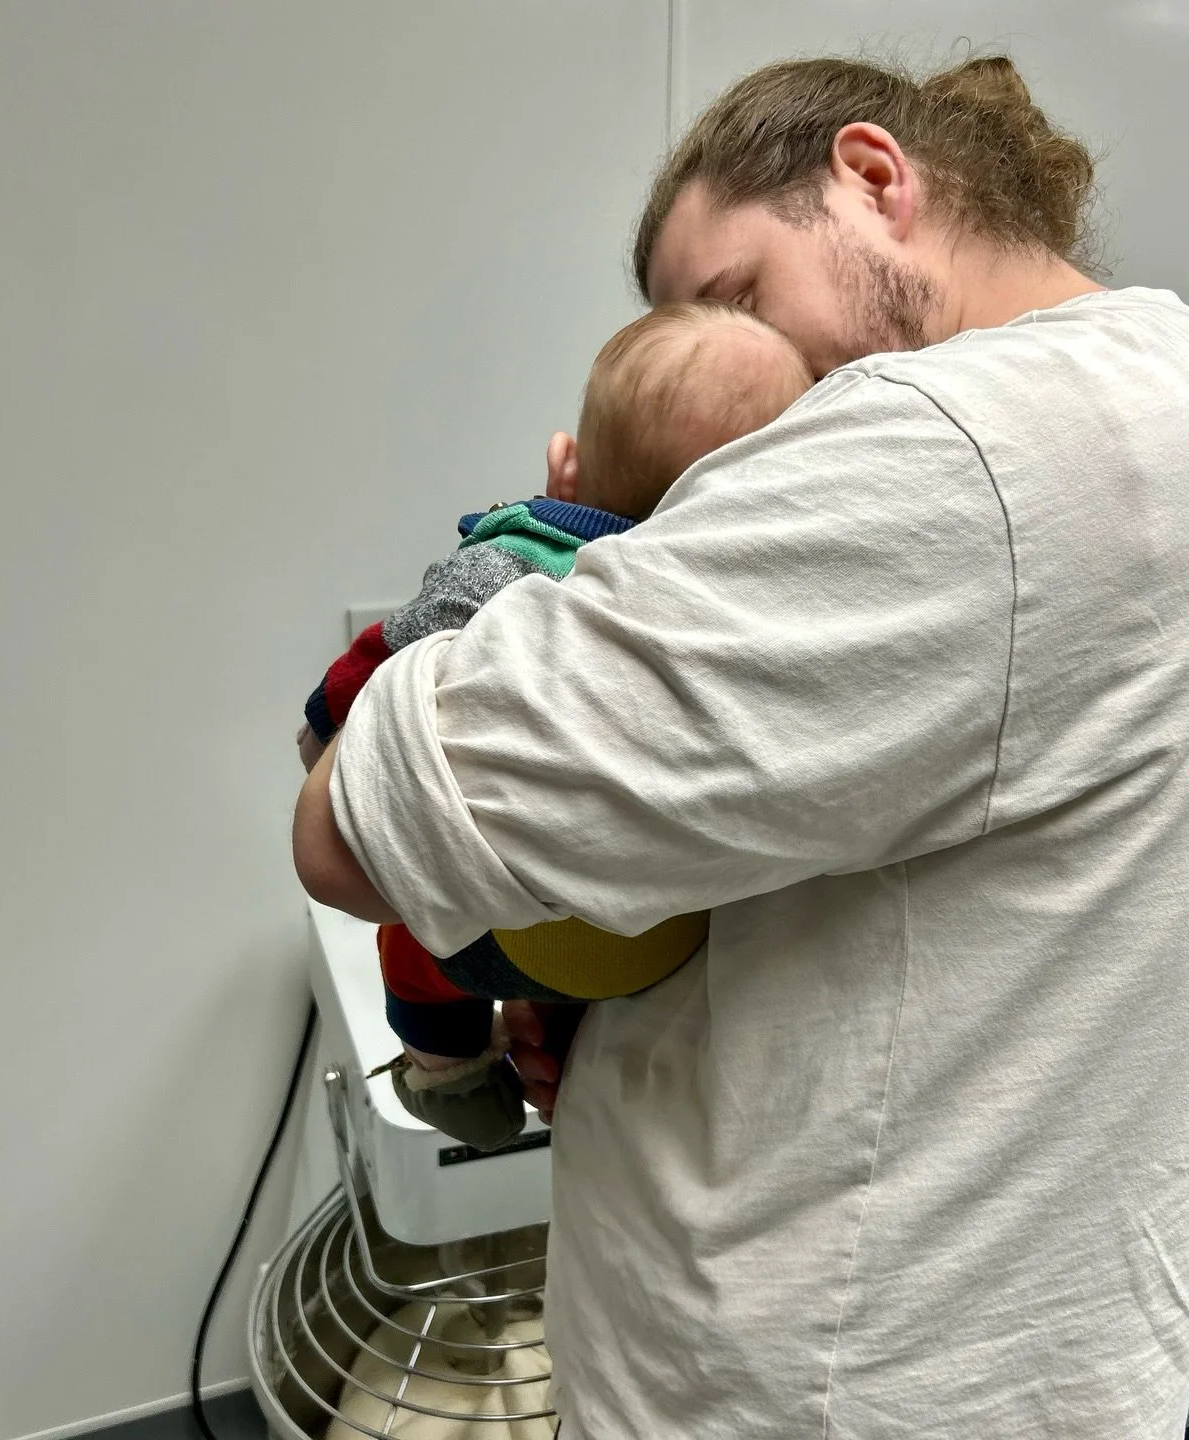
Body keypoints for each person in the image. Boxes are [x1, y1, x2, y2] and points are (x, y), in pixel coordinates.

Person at [293, 52, 1189, 1440]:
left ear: (871, 176)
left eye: (731, 298)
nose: (737, 380)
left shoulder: (963, 450)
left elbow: (355, 820)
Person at [298, 300, 811, 1151]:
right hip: (655, 946)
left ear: (563, 470)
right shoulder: (754, 622)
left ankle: (450, 1076)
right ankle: (563, 1040)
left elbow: (367, 672)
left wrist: (323, 730)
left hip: (519, 941)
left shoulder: (509, 567)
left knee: (416, 938)